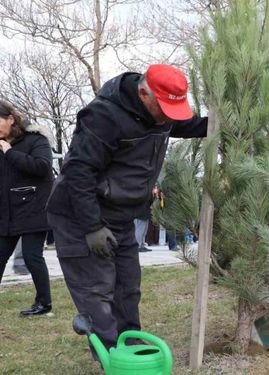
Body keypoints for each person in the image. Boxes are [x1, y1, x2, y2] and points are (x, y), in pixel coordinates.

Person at [46, 64, 208, 353]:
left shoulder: (162, 114)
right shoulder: (103, 117)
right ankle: (112, 358)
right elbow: (78, 173)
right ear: (144, 93)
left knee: (127, 288)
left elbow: (188, 125)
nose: (168, 119)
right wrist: (92, 227)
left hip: (120, 217)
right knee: (98, 291)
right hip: (80, 217)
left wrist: (225, 121)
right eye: (165, 110)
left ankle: (130, 347)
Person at [0, 100, 55, 316]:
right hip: (7, 211)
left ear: (10, 119)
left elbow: (42, 168)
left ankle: (44, 303)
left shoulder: (36, 139)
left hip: (33, 207)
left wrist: (9, 151)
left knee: (32, 256)